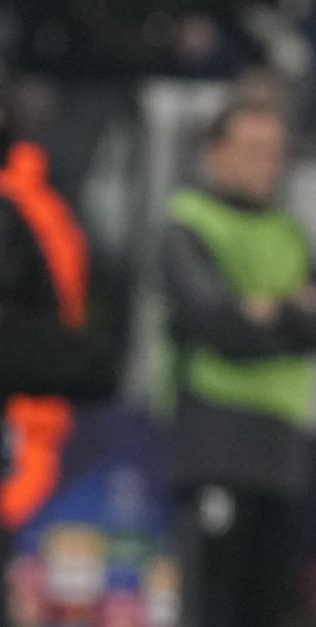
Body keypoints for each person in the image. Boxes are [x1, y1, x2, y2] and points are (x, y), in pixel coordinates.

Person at [163, 100, 316, 627]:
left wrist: (267, 310)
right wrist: (286, 312)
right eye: (252, 149)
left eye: (274, 152)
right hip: (216, 438)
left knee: (270, 604)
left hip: (284, 445)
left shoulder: (287, 231)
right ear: (215, 152)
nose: (265, 164)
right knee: (213, 600)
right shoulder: (190, 219)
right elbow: (217, 321)